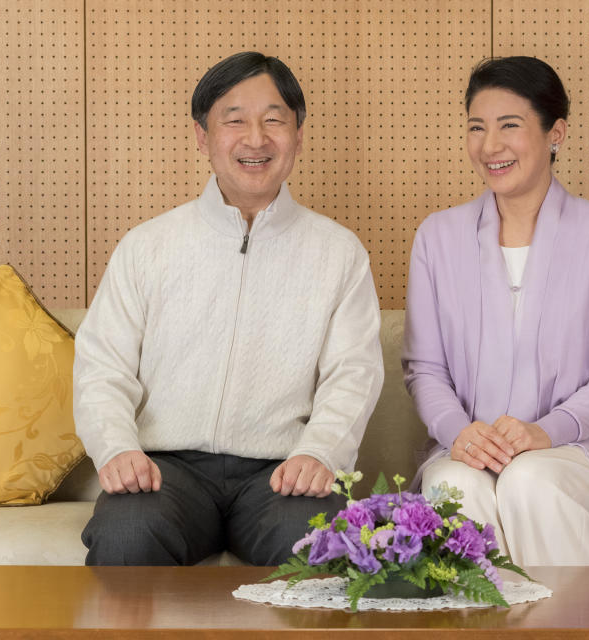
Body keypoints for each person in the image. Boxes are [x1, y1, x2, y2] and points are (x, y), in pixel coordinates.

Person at [74, 51, 384, 566]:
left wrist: (319, 452)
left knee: (324, 548)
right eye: (234, 120)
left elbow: (353, 373)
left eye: (273, 120)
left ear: (299, 134)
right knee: (126, 534)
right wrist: (116, 448)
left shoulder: (339, 252)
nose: (256, 138)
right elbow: (102, 366)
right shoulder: (147, 246)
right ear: (203, 137)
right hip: (167, 471)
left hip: (281, 473)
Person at [402, 56, 589, 566]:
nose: (490, 146)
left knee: (529, 480)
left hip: (583, 450)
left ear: (554, 133)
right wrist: (457, 432)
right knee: (452, 489)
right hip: (468, 446)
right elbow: (424, 368)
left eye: (509, 126)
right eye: (477, 127)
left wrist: (546, 431)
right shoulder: (437, 237)